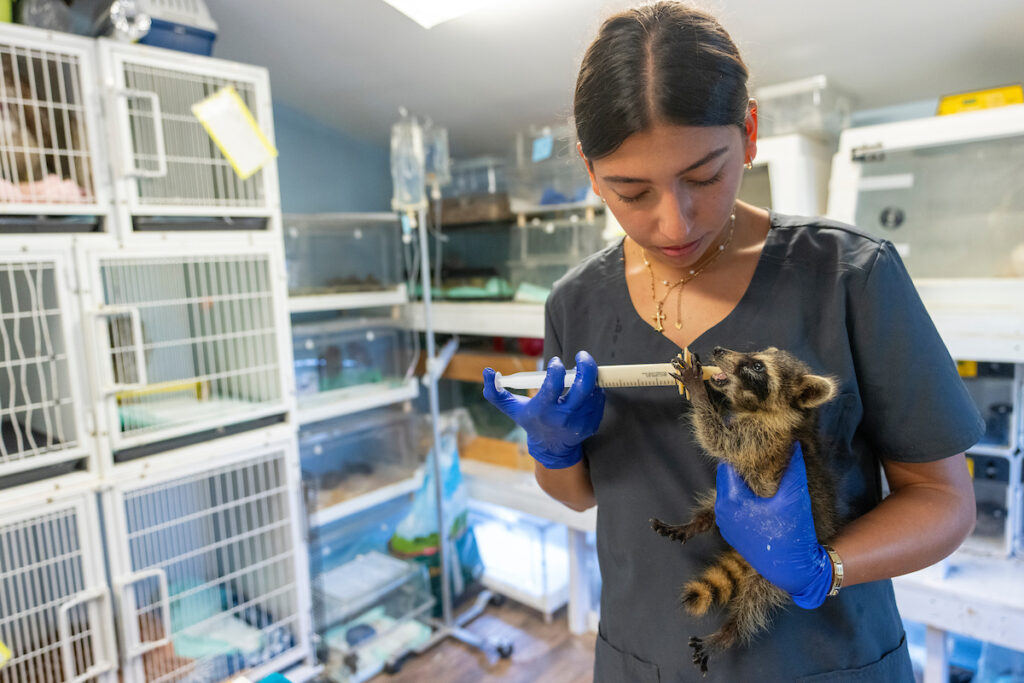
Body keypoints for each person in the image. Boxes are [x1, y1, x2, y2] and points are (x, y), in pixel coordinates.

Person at [482, 2, 983, 681]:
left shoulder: (848, 277)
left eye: (703, 175)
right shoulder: (577, 302)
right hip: (645, 657)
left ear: (748, 133)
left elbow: (945, 500)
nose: (672, 220)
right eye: (631, 191)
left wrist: (821, 568)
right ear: (591, 172)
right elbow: (577, 493)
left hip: (825, 660)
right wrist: (554, 446)